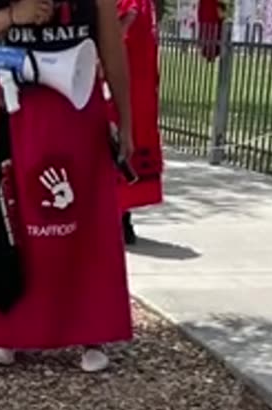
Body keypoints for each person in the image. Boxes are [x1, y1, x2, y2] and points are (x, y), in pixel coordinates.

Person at [0, 0, 135, 373]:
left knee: (83, 221)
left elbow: (111, 46)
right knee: (10, 217)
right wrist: (11, 16)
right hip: (10, 113)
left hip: (77, 109)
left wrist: (126, 122)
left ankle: (90, 330)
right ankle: (7, 327)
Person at [114, 0, 165, 246]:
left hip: (132, 84)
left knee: (121, 144)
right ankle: (120, 217)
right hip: (134, 83)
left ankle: (119, 217)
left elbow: (121, 28)